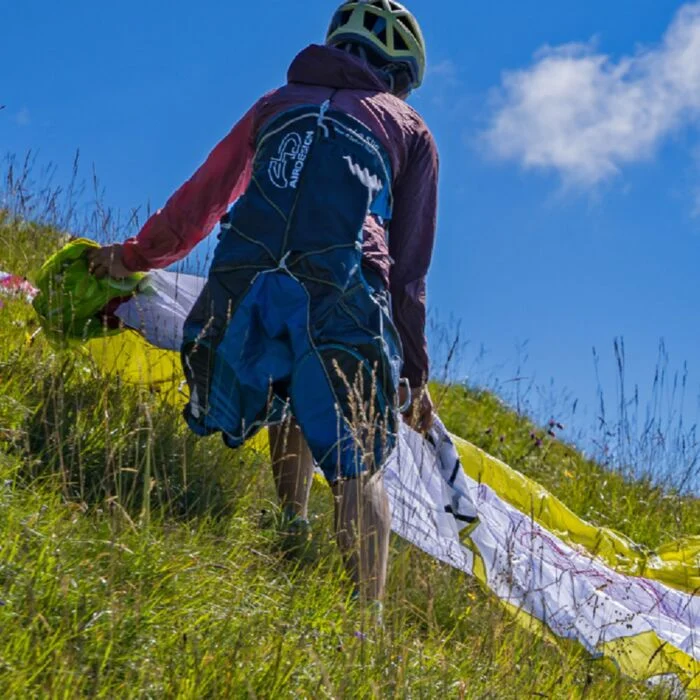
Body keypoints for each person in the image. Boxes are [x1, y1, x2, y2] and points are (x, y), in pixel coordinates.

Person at [88, 0, 438, 607]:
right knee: (356, 459)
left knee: (288, 380)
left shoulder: (275, 103)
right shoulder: (409, 129)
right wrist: (414, 372)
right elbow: (409, 270)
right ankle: (369, 631)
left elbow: (204, 198)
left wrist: (137, 256)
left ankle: (290, 523)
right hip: (344, 284)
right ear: (400, 75)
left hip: (243, 277)